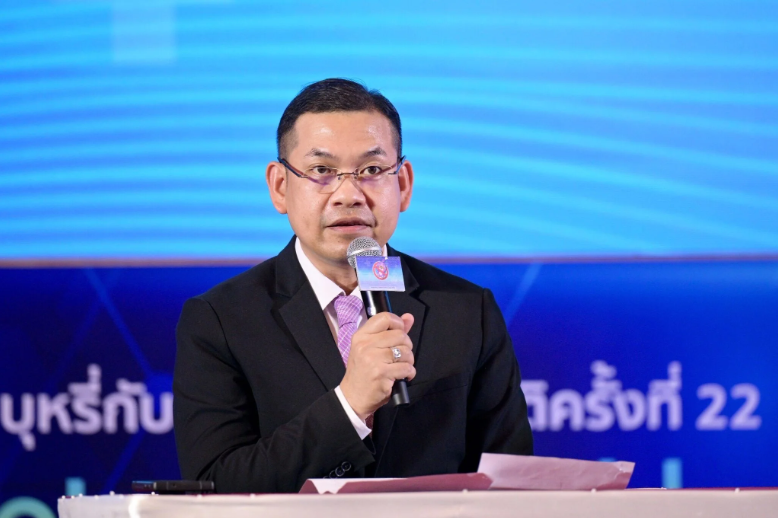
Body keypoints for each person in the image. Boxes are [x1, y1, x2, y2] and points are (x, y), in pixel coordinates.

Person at [173, 78, 533, 493]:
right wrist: (350, 405)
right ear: (280, 186)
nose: (348, 195)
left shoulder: (468, 311)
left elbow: (510, 485)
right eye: (322, 171)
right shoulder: (220, 320)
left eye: (372, 170)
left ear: (403, 184)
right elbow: (215, 486)